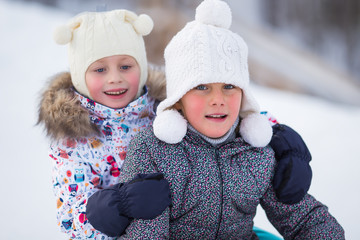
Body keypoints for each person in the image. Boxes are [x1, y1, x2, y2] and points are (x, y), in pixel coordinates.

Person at [38, 5, 313, 240]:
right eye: (99, 69)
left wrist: (283, 142)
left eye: (125, 66)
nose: (115, 78)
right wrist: (116, 208)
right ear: (78, 77)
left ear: (141, 67)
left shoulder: (165, 105)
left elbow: (232, 115)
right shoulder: (71, 140)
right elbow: (70, 215)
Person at [117, 0, 345, 239]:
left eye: (229, 86)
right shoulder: (153, 150)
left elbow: (303, 218)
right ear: (178, 99)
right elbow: (145, 232)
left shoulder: (257, 153)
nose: (218, 99)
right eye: (202, 87)